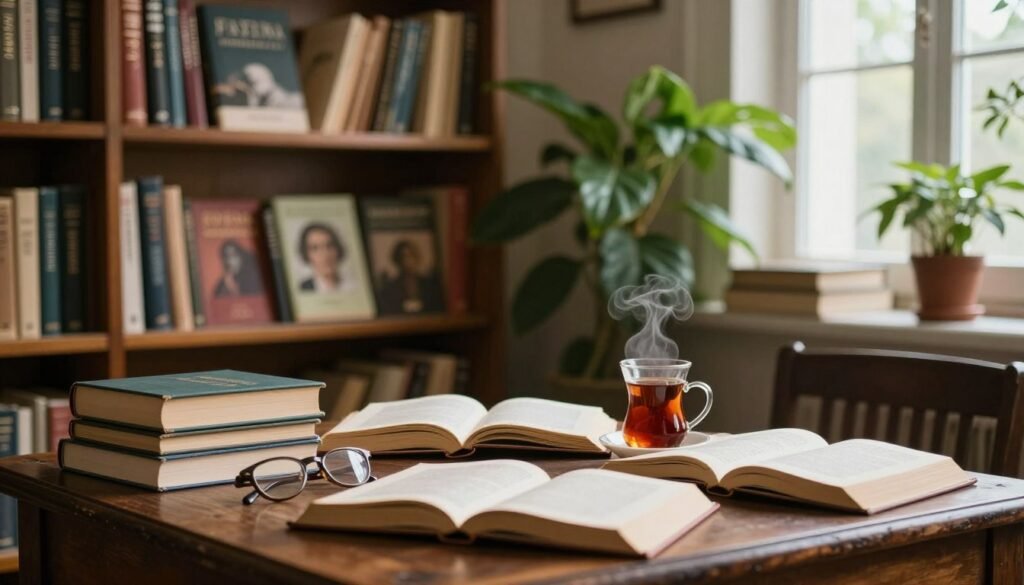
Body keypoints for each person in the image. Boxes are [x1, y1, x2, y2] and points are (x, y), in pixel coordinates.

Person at [377, 239, 443, 314]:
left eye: (411, 255)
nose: (407, 260)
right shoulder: (390, 287)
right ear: (397, 260)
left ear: (416, 257)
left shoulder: (429, 284)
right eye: (403, 256)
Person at [297, 223, 345, 293]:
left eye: (329, 245)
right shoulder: (302, 288)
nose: (325, 254)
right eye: (315, 248)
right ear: (307, 254)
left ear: (338, 249)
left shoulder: (354, 284)